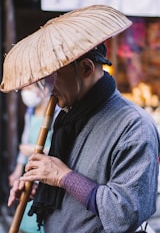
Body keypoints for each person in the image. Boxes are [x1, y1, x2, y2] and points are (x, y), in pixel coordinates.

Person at [8, 45, 159, 232]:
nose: (49, 90)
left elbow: (125, 213)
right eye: (43, 82)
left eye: (52, 78)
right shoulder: (70, 118)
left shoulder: (135, 126)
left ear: (86, 68)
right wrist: (42, 189)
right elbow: (79, 197)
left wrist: (64, 177)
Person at [9, 83, 60, 233]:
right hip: (30, 170)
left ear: (43, 89)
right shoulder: (29, 113)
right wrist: (17, 170)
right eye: (24, 90)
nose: (26, 93)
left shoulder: (55, 114)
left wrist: (33, 150)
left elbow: (59, 150)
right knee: (25, 210)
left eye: (29, 89)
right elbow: (25, 141)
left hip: (46, 170)